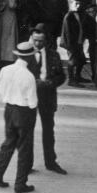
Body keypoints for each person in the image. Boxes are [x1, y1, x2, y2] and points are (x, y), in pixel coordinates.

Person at [0, 41, 39, 193]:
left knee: (8, 143)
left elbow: (0, 89)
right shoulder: (29, 76)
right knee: (24, 147)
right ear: (30, 58)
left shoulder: (5, 70)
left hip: (9, 109)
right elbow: (32, 102)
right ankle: (20, 184)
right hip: (24, 112)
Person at [27, 24, 67, 175]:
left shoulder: (53, 55)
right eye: (35, 40)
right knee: (27, 131)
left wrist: (51, 83)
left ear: (46, 41)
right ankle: (26, 164)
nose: (37, 44)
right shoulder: (26, 54)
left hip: (47, 96)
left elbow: (62, 76)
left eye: (40, 41)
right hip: (30, 96)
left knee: (48, 131)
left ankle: (51, 162)